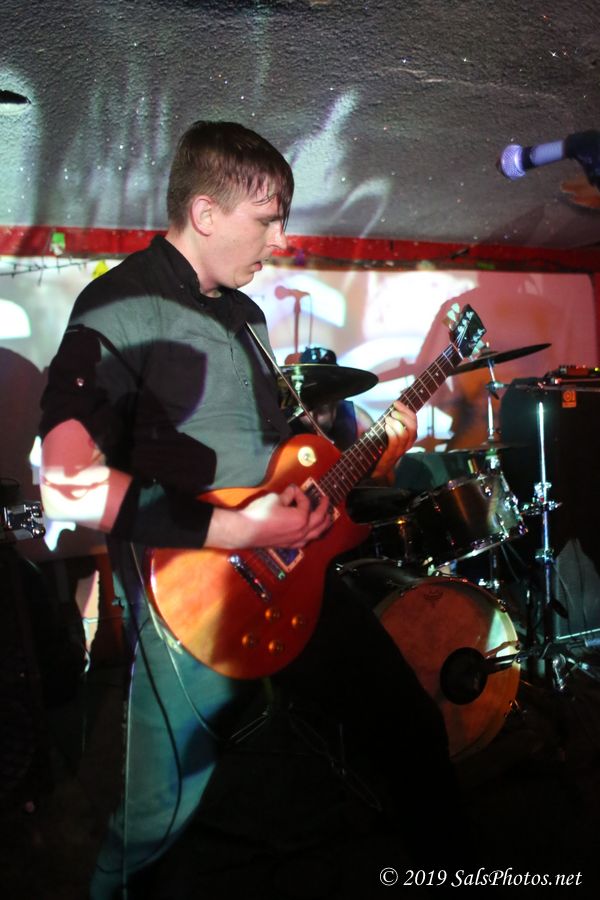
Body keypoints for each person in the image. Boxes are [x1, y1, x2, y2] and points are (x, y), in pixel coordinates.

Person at [39, 121, 464, 900]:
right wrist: (242, 527)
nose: (282, 238)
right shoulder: (119, 306)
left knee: (410, 725)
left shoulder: (246, 319)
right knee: (152, 828)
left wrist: (368, 458)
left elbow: (282, 459)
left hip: (290, 583)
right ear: (205, 213)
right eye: (268, 219)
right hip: (189, 606)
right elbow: (67, 483)